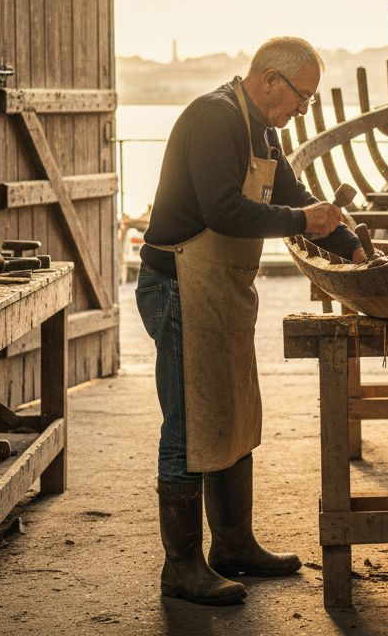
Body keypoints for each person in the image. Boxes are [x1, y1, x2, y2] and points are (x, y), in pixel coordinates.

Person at [136, 37, 363, 605]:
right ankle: (180, 567)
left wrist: (352, 246)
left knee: (233, 410)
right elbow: (223, 210)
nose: (302, 110)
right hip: (178, 284)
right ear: (268, 80)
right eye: (301, 98)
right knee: (188, 426)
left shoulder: (263, 129)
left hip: (222, 288)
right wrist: (300, 219)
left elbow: (292, 194)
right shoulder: (215, 119)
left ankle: (233, 546)